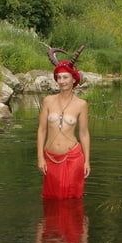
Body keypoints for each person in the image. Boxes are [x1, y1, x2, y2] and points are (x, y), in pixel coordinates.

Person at [37, 46, 90, 199]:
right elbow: (41, 130)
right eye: (59, 78)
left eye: (65, 77)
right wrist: (40, 157)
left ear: (74, 79)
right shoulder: (48, 101)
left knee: (71, 199)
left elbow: (84, 134)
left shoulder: (81, 104)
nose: (61, 81)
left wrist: (87, 161)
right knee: (51, 199)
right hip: (50, 157)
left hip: (73, 157)